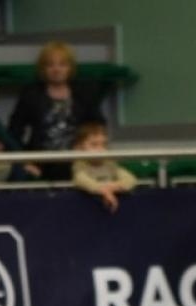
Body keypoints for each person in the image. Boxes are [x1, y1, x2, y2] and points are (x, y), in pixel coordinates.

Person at [7, 41, 102, 180]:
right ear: (43, 68)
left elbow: (97, 126)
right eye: (50, 65)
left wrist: (89, 149)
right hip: (41, 162)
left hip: (79, 160)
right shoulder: (31, 94)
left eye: (62, 64)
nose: (56, 69)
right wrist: (24, 161)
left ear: (70, 67)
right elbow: (14, 131)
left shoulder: (84, 93)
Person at [69, 120, 135, 213]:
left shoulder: (109, 163)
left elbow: (130, 180)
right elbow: (81, 180)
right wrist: (103, 190)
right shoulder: (80, 164)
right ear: (79, 148)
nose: (100, 149)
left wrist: (113, 187)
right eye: (94, 145)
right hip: (86, 210)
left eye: (104, 144)